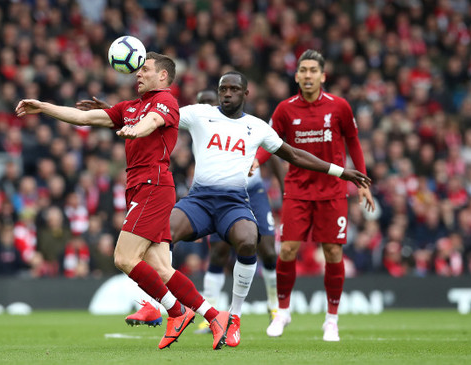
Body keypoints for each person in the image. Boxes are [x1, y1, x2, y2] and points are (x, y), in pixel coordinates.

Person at [121, 71, 370, 348]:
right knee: (160, 233)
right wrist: (120, 115)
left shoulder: (257, 127)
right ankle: (156, 304)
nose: (227, 93)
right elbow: (157, 115)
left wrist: (341, 171)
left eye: (233, 89)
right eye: (222, 89)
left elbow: (294, 155)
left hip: (234, 202)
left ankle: (234, 316)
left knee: (249, 241)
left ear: (245, 94)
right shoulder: (199, 114)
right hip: (199, 200)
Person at [15, 52, 232, 351]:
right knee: (162, 268)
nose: (138, 74)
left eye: (145, 69)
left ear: (163, 76)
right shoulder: (129, 107)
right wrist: (43, 107)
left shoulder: (165, 102)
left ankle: (175, 312)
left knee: (123, 258)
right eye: (137, 70)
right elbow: (83, 117)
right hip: (140, 187)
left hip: (153, 186)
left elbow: (152, 123)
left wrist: (135, 129)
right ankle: (215, 315)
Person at [257, 50, 376, 342]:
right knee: (288, 250)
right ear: (296, 76)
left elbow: (353, 142)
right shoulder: (284, 109)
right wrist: (253, 161)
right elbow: (269, 143)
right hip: (297, 190)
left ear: (323, 75)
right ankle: (283, 312)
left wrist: (361, 180)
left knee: (333, 253)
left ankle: (331, 320)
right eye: (303, 70)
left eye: (313, 70)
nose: (308, 75)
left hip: (333, 191)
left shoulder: (340, 107)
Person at [193, 89, 284, 335]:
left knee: (266, 250)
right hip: (220, 197)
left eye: (209, 104)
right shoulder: (200, 127)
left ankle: (274, 307)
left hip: (253, 194)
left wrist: (285, 193)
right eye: (202, 104)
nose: (206, 109)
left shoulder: (247, 126)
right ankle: (209, 313)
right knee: (219, 252)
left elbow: (275, 154)